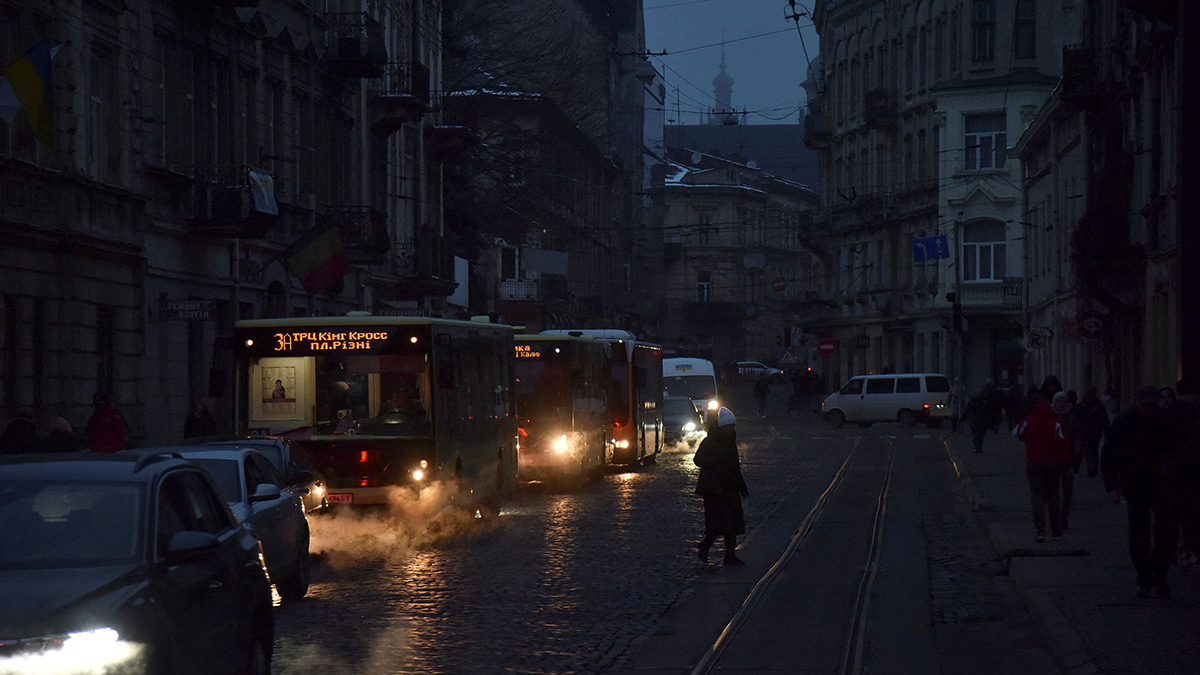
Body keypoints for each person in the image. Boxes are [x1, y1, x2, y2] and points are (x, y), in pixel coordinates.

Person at [1103, 386, 1179, 598]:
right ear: (1137, 403)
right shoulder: (1124, 424)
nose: (1148, 409)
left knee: (1164, 532)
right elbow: (1110, 455)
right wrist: (1113, 486)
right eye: (1145, 404)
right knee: (1139, 534)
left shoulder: (1164, 422)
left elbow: (1177, 449)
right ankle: (1145, 578)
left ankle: (1159, 577)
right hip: (1135, 486)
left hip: (1162, 485)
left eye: (1151, 405)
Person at [693, 407, 749, 566]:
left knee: (732, 524)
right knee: (716, 524)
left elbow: (734, 465)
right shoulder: (710, 441)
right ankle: (705, 547)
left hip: (730, 486)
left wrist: (741, 485)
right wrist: (715, 462)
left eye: (732, 427)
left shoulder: (730, 441)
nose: (731, 430)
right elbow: (698, 460)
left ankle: (730, 555)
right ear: (722, 426)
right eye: (728, 427)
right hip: (714, 489)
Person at [1016, 395, 1071, 543]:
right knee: (1054, 496)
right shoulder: (1055, 422)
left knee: (1037, 497)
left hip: (1034, 463)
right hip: (1053, 464)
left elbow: (1018, 434)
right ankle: (1056, 530)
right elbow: (1062, 444)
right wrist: (1067, 464)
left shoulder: (1028, 420)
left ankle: (1040, 530)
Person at [1173, 378, 1200, 572]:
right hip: (1192, 469)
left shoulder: (1175, 410)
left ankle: (1185, 553)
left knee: (1184, 515)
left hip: (1181, 471)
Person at [1053, 391, 1078, 529]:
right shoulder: (1050, 417)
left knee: (1067, 491)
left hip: (1069, 458)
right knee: (1054, 490)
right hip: (1053, 459)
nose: (1061, 404)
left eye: (1064, 401)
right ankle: (1056, 517)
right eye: (1058, 401)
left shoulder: (1072, 417)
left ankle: (1064, 518)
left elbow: (1077, 435)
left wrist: (1077, 455)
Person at [1074, 387, 1110, 478]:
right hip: (1089, 431)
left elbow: (1104, 420)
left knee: (1089, 450)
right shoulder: (1095, 406)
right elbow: (1105, 420)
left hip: (1092, 432)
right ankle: (1090, 468)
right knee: (1088, 450)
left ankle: (1091, 468)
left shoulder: (1095, 406)